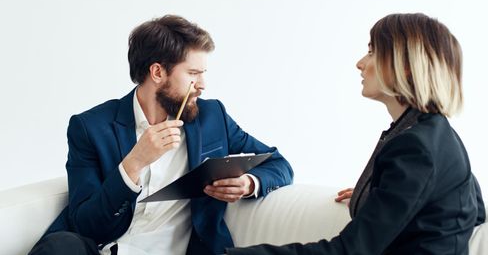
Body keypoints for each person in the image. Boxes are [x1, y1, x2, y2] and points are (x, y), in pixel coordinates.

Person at [28, 15, 294, 255]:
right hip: (104, 249)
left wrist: (250, 183)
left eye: (203, 74)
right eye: (193, 74)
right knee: (59, 247)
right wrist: (133, 164)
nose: (202, 85)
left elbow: (278, 163)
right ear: (157, 72)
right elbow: (86, 223)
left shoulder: (212, 118)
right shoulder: (90, 127)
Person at [226, 13, 485, 255]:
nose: (360, 63)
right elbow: (473, 209)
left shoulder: (416, 147)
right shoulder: (435, 133)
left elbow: (351, 251)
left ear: (405, 66)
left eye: (372, 52)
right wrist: (382, 195)